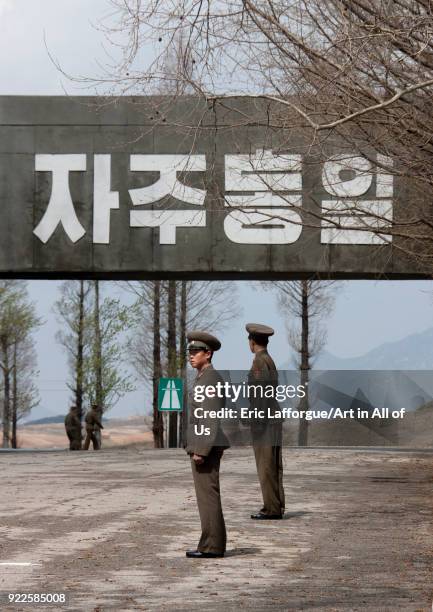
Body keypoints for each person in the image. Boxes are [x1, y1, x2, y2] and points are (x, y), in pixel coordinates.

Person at [185, 330, 229, 559]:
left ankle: (212, 546)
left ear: (208, 354)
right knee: (206, 498)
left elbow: (210, 418)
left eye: (196, 352)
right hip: (203, 445)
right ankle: (208, 544)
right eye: (190, 352)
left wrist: (201, 450)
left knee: (208, 497)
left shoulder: (210, 379)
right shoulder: (203, 377)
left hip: (206, 448)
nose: (191, 356)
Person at [246, 323, 285, 520]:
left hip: (265, 420)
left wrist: (256, 421)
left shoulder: (260, 363)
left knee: (266, 465)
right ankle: (275, 505)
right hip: (272, 417)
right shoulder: (269, 360)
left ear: (252, 342)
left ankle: (271, 509)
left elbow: (260, 395)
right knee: (273, 465)